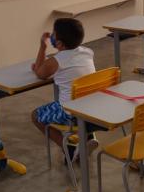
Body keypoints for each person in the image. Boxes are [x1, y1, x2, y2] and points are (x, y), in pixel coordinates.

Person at [30, 18, 97, 162]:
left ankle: (69, 148)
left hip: (70, 113)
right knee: (73, 99)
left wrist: (43, 47)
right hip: (91, 108)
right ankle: (88, 136)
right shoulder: (87, 52)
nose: (52, 35)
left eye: (54, 33)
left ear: (59, 43)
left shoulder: (58, 60)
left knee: (36, 116)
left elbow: (40, 73)